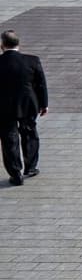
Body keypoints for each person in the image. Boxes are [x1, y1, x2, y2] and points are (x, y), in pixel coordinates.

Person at [0, 30, 46, 185]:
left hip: (4, 107)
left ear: (2, 46)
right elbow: (40, 84)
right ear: (19, 44)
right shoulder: (32, 60)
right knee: (30, 133)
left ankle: (16, 173)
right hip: (28, 105)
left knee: (9, 140)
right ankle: (31, 167)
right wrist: (44, 104)